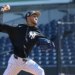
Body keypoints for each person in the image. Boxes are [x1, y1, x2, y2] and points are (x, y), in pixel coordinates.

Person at [0, 5, 54, 75]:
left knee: (40, 72)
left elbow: (42, 40)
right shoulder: (18, 28)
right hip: (15, 62)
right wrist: (2, 10)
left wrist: (47, 42)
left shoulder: (37, 32)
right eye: (34, 16)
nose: (36, 17)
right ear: (28, 17)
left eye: (37, 16)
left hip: (26, 61)